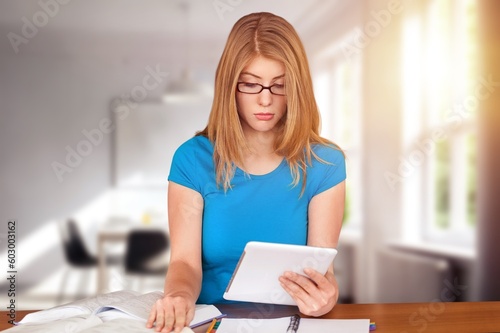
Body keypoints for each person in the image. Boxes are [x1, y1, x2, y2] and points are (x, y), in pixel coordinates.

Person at [146, 12, 346, 333]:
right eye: (251, 84)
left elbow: (323, 272)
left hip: (292, 325)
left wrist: (325, 297)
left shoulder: (326, 163)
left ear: (297, 88)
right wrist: (179, 296)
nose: (265, 99)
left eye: (279, 85)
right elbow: (184, 263)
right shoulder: (192, 159)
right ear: (230, 87)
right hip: (210, 323)